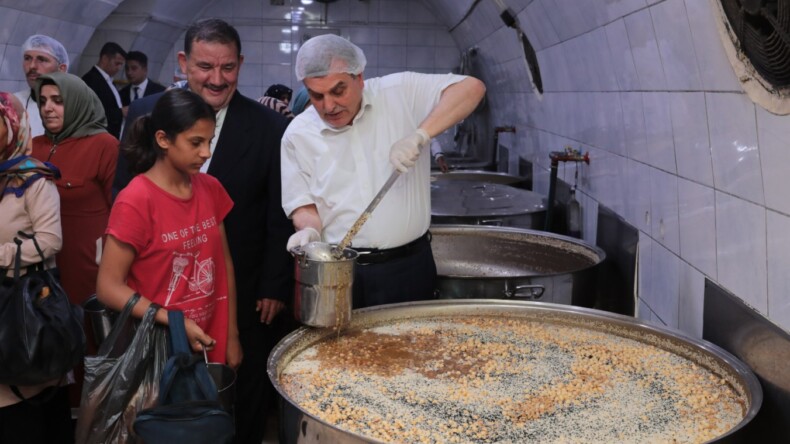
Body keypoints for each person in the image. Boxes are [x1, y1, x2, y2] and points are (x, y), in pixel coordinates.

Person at [122, 19, 293, 444]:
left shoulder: (269, 128)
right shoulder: (147, 115)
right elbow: (121, 195)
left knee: (242, 391)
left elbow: (278, 211)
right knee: (164, 400)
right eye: (204, 67)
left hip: (242, 288)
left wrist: (275, 283)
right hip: (161, 291)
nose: (217, 79)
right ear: (183, 62)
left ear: (241, 64)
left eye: (228, 67)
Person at [281, 34, 485, 309]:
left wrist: (420, 135)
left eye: (338, 90)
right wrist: (309, 232)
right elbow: (305, 206)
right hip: (339, 271)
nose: (328, 106)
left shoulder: (399, 92)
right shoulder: (297, 135)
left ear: (359, 77)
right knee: (344, 352)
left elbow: (472, 88)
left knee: (412, 350)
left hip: (408, 266)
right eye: (317, 95)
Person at [96, 89, 241, 367]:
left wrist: (231, 334)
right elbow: (108, 287)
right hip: (158, 347)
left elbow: (224, 264)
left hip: (211, 338)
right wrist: (174, 321)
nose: (206, 152)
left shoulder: (210, 189)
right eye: (196, 142)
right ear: (163, 139)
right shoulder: (136, 200)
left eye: (209, 141)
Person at [0, 92, 73, 444]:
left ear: (12, 127)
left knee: (25, 399)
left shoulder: (33, 180)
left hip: (24, 304)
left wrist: (1, 255)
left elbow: (50, 241)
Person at [14, 35, 69, 137]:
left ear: (61, 69)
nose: (32, 66)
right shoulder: (12, 103)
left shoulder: (75, 106)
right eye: (27, 58)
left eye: (42, 59)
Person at [81, 42, 126, 138]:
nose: (119, 68)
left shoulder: (109, 80)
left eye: (121, 65)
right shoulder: (90, 80)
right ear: (105, 59)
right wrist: (121, 112)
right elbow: (91, 113)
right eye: (117, 63)